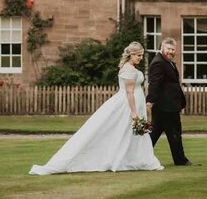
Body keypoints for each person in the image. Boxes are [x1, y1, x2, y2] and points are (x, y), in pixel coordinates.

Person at [29, 41, 163, 174]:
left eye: (141, 55)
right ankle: (132, 160)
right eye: (138, 55)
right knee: (123, 131)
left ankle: (139, 159)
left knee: (135, 133)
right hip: (127, 106)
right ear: (131, 55)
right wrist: (134, 112)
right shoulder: (129, 69)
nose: (140, 58)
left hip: (135, 104)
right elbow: (129, 92)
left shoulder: (131, 68)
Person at [146, 37, 198, 166]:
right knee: (173, 132)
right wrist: (150, 101)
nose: (171, 51)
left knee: (156, 133)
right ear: (162, 48)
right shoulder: (159, 62)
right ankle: (180, 160)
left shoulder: (168, 62)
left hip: (168, 105)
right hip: (165, 106)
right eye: (168, 49)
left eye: (173, 49)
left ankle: (140, 156)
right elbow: (154, 84)